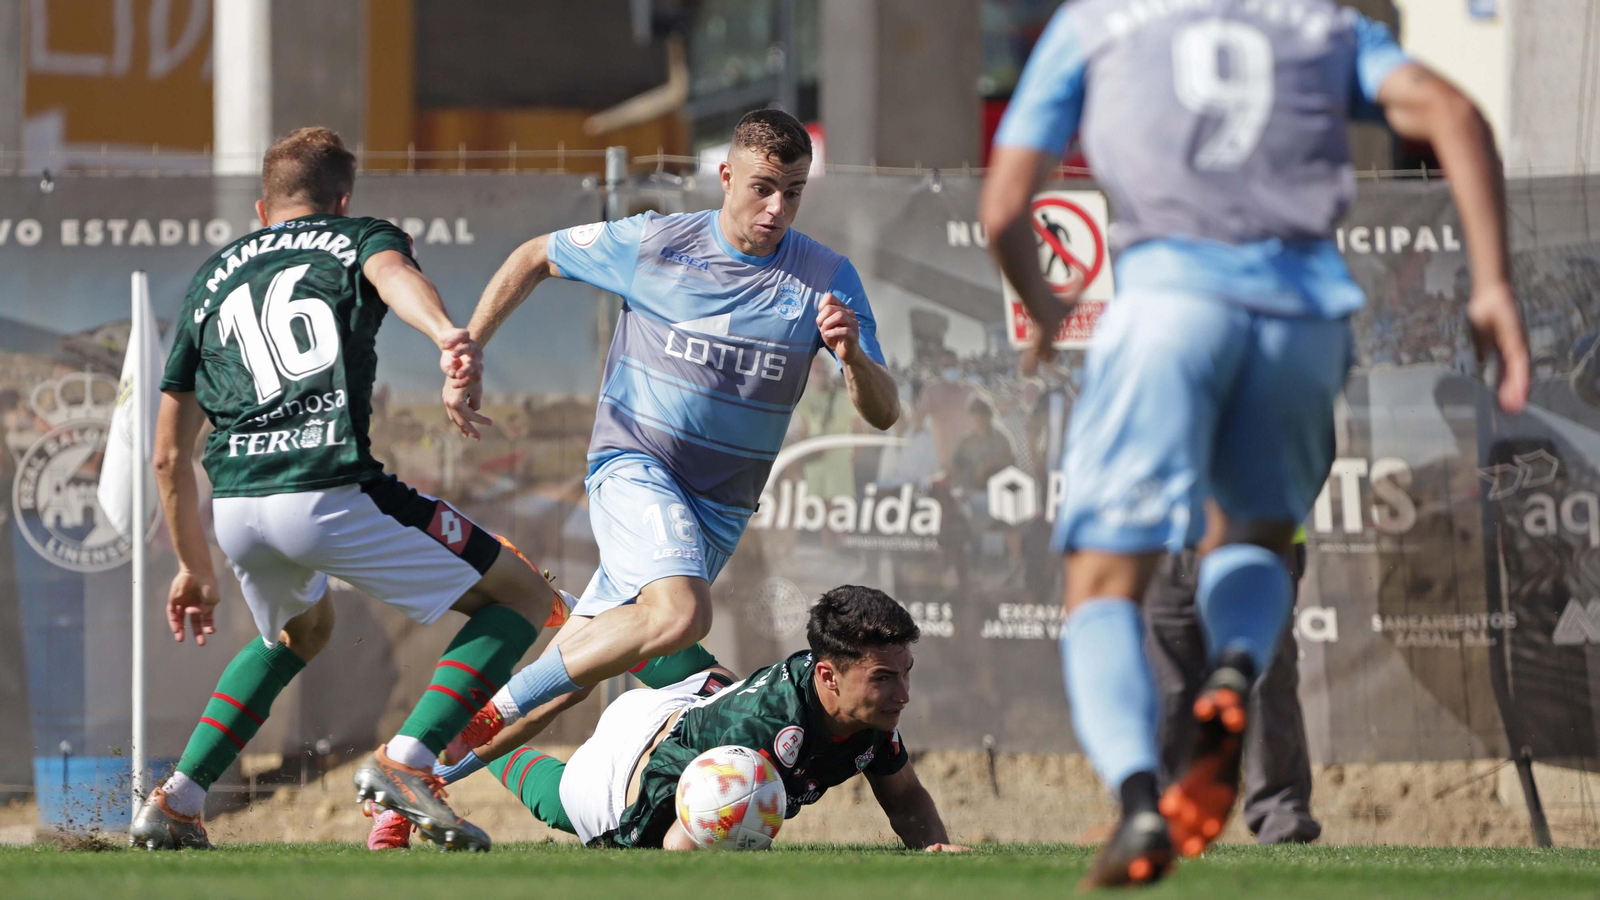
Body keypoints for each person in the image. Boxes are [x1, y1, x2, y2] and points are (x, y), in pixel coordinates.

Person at [980, 2, 1529, 887]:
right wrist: (1493, 282)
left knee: (1098, 581)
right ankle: (1234, 668)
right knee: (1258, 540)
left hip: (1168, 305)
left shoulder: (1098, 21)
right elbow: (1458, 115)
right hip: (1305, 318)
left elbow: (1005, 205)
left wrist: (1046, 315)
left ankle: (1136, 806)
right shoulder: (1325, 23)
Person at [132, 127, 559, 853]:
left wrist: (194, 566)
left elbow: (168, 457)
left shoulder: (212, 277)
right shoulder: (357, 236)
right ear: (342, 200)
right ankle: (409, 761)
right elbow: (393, 274)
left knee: (302, 631)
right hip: (327, 490)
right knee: (522, 595)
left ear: (263, 210)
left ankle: (178, 799)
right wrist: (446, 334)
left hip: (237, 506)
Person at [435, 109, 900, 758]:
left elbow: (883, 411)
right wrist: (469, 350)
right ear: (726, 175)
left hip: (720, 507)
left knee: (579, 668)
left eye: (792, 193)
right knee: (683, 616)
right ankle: (491, 714)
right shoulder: (656, 242)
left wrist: (851, 358)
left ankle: (412, 780)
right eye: (762, 188)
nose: (776, 209)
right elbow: (534, 255)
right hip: (636, 465)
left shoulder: (826, 279)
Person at [473, 586, 966, 851]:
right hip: (616, 784)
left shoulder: (858, 706)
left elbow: (904, 796)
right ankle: (459, 733)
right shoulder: (764, 740)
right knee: (552, 798)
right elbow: (677, 848)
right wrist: (621, 844)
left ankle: (585, 611)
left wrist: (935, 848)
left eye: (906, 674)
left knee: (706, 668)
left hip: (691, 704)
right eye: (884, 678)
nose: (903, 693)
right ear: (828, 676)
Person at [1145, 533, 1320, 846]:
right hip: (1167, 536)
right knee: (1171, 685)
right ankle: (1162, 821)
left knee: (1264, 678)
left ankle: (1283, 825)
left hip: (1258, 528)